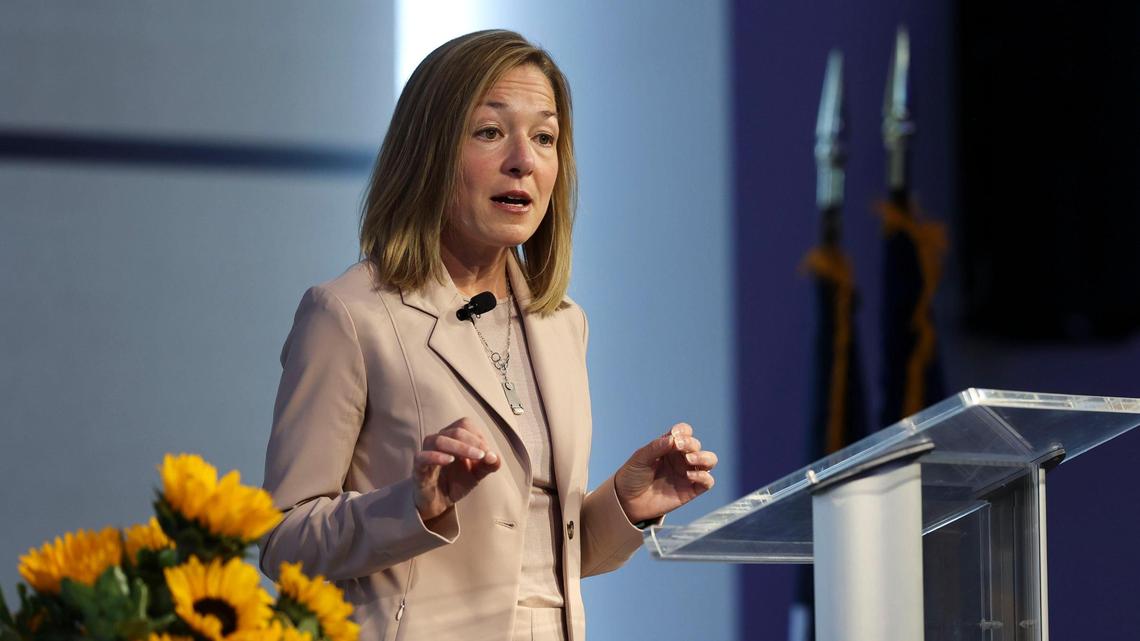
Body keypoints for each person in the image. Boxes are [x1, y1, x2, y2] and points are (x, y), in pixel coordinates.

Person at [259, 30, 718, 641]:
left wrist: (626, 504)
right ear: (429, 150)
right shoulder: (348, 314)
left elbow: (541, 561)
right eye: (490, 131)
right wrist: (415, 505)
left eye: (546, 138)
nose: (524, 160)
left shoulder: (563, 324)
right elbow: (284, 541)